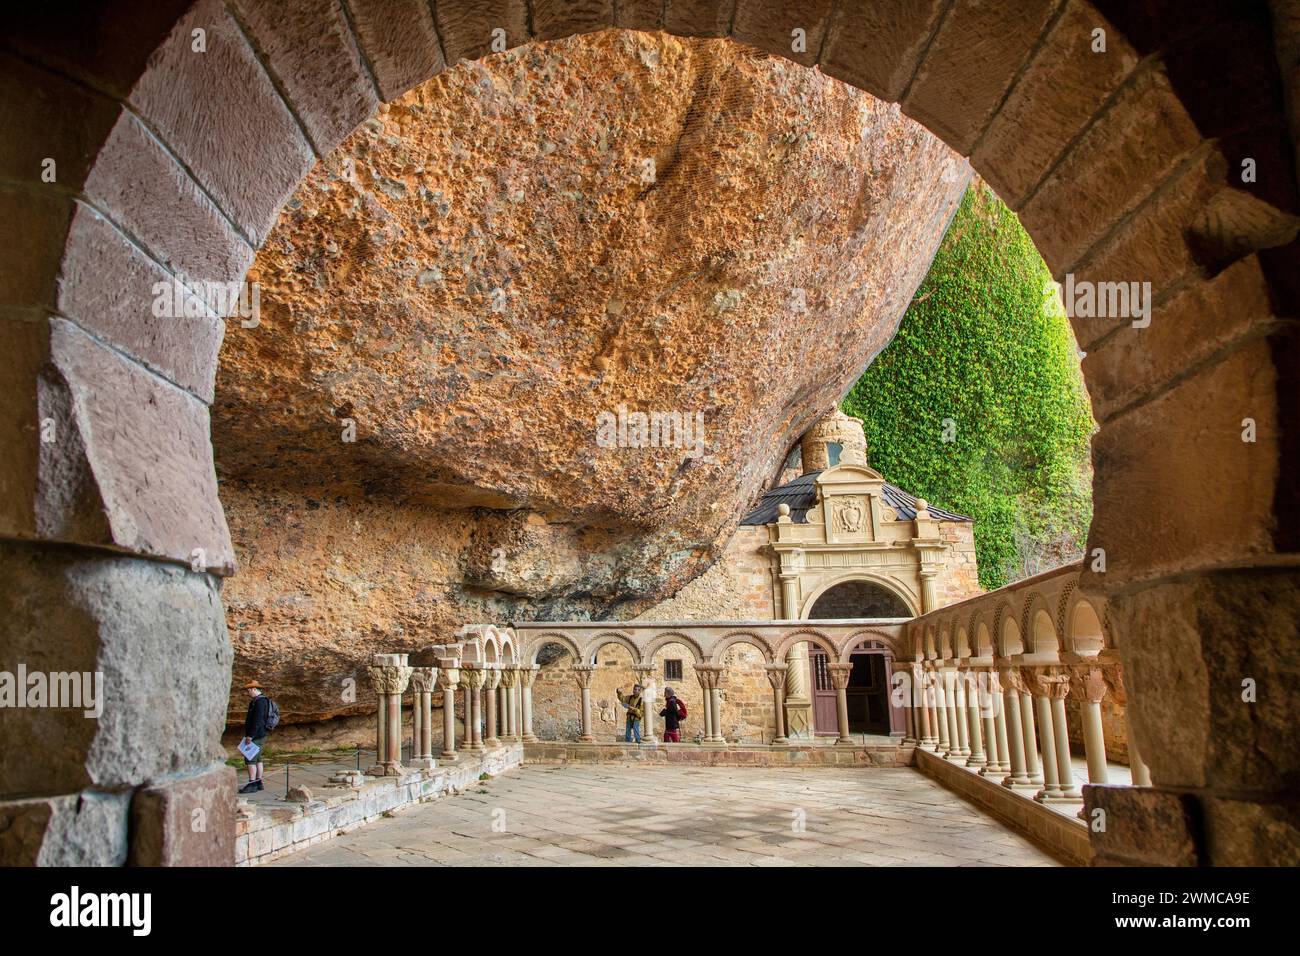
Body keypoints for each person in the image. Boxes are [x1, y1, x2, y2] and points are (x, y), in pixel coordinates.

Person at [239, 680, 272, 794]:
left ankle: (252, 783)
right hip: (261, 733)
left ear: (254, 689)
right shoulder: (260, 701)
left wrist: (250, 736)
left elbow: (257, 720)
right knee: (258, 759)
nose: (248, 693)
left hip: (257, 734)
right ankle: (259, 782)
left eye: (249, 690)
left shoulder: (259, 702)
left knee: (250, 758)